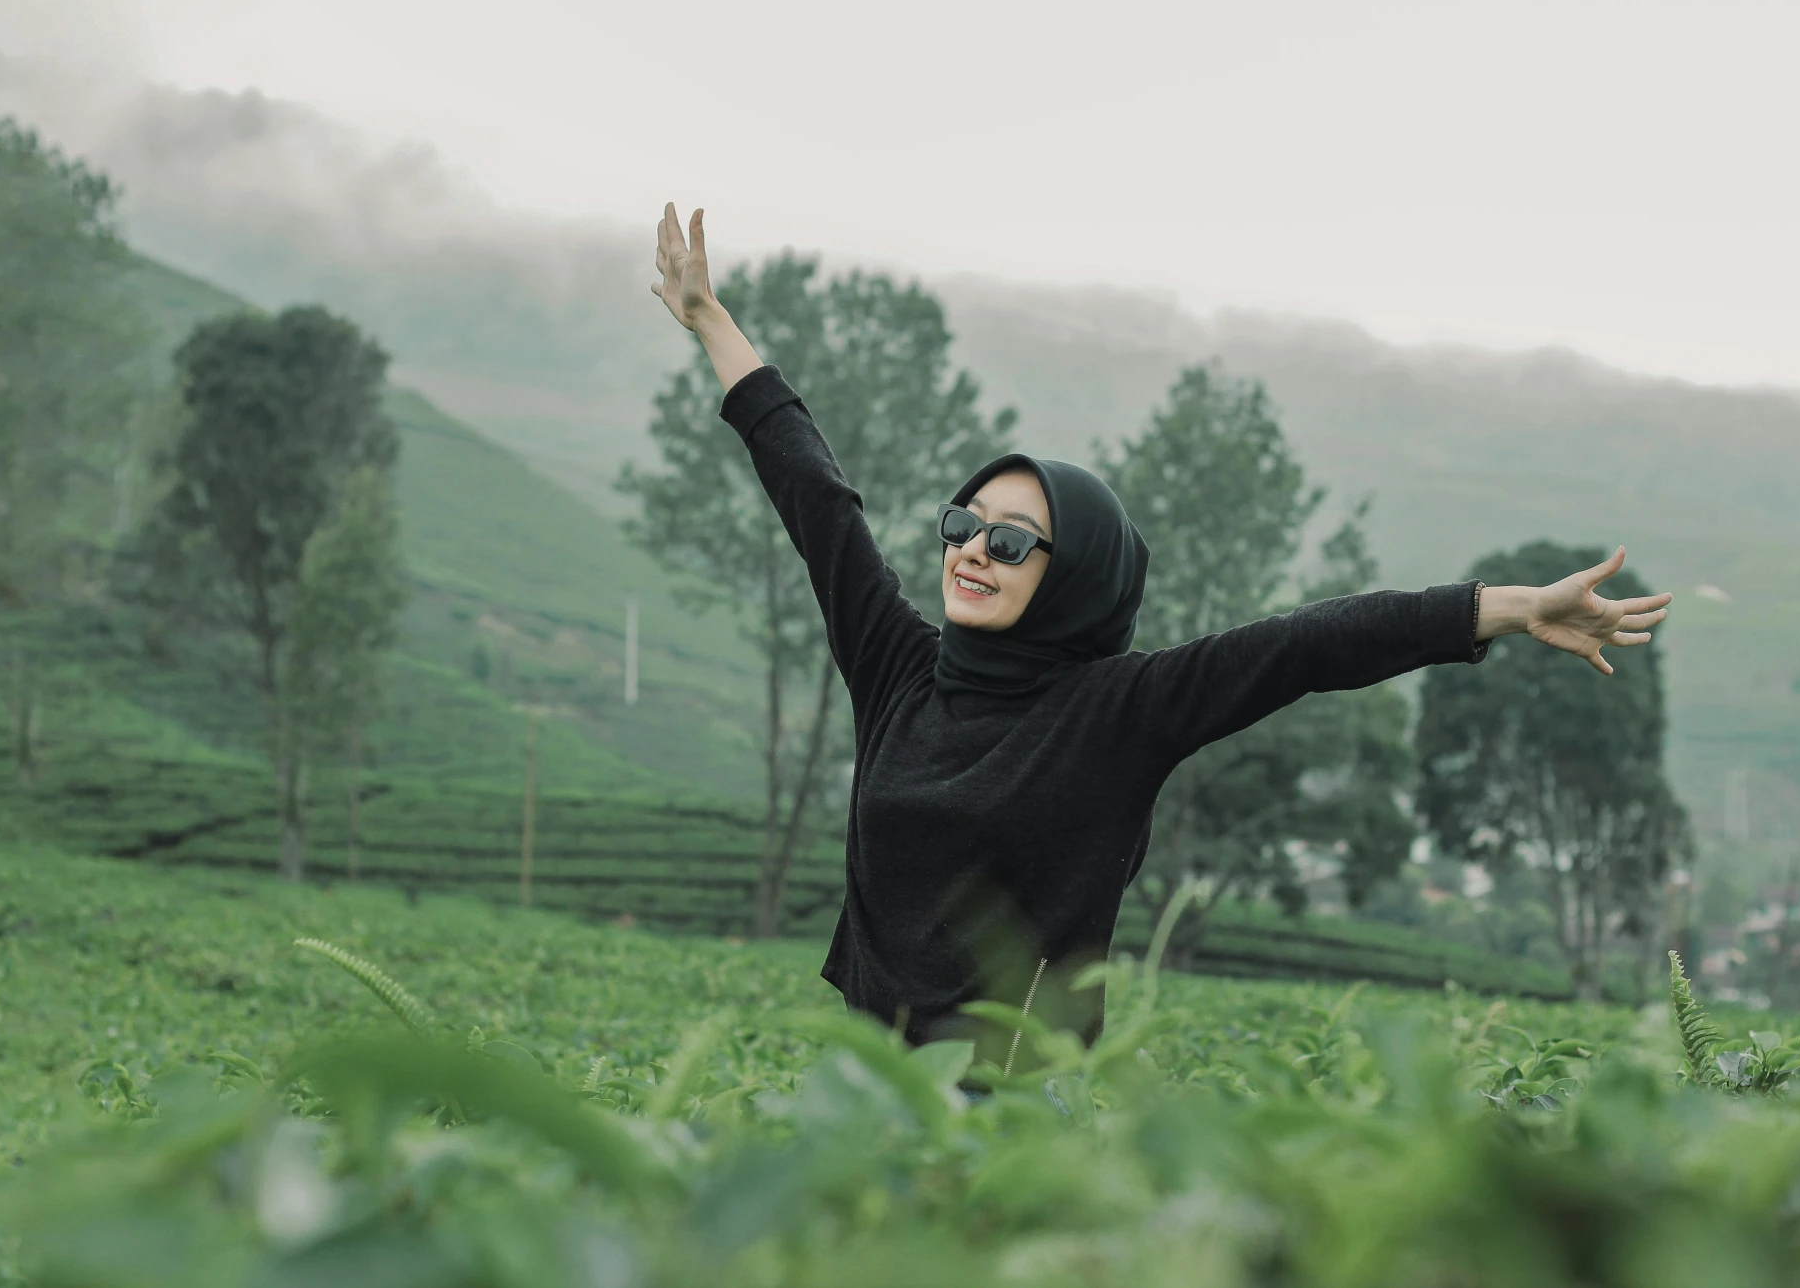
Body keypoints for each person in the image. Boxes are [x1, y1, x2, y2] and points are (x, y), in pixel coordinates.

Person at [649, 203, 1671, 1065]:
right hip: (867, 1084)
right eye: (964, 525)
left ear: (1076, 578)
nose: (972, 551)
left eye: (1012, 542)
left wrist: (1508, 604)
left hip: (1014, 1108)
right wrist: (711, 323)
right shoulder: (898, 671)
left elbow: (1312, 644)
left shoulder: (1119, 713)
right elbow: (816, 499)